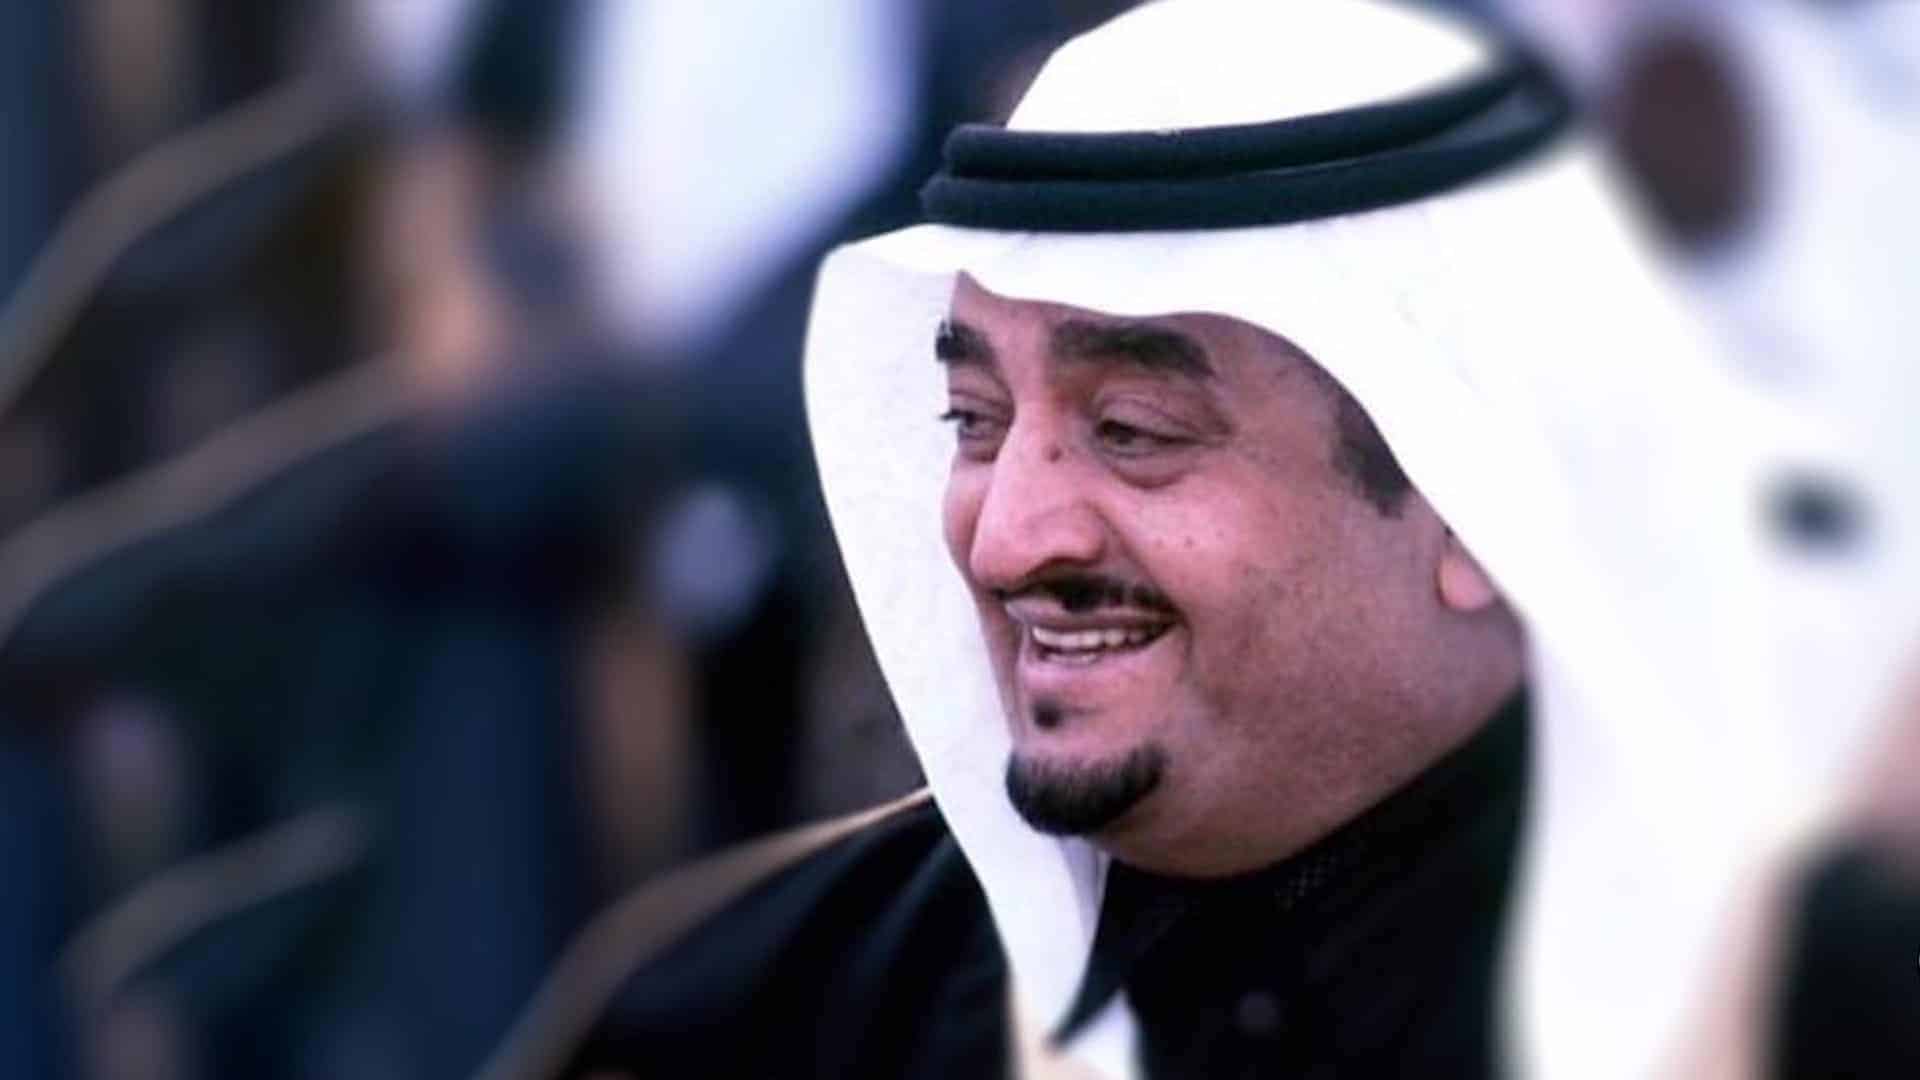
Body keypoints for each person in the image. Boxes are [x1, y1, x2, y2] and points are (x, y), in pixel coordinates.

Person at [487, 3, 1893, 1078]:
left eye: (1134, 432)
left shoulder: (1798, 1003)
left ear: (1479, 499)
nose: (1007, 539)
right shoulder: (768, 1010)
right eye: (975, 422)